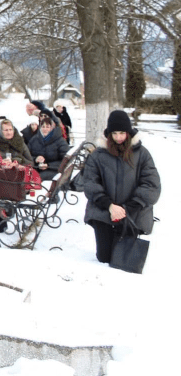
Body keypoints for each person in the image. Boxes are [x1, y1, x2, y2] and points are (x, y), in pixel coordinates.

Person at [80, 110, 161, 264]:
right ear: (109, 134)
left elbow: (151, 184)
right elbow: (90, 183)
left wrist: (127, 208)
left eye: (122, 133)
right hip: (104, 210)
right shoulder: (98, 155)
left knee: (123, 258)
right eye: (114, 133)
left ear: (128, 133)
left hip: (132, 212)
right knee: (105, 257)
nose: (118, 137)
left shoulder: (142, 154)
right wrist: (109, 206)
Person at [28, 115, 69, 181]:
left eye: (48, 127)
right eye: (43, 126)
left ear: (52, 128)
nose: (45, 129)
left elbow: (65, 160)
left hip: (54, 170)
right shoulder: (34, 140)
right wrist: (35, 159)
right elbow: (27, 156)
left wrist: (48, 165)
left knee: (38, 178)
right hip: (36, 168)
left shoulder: (60, 141)